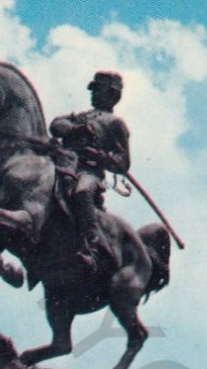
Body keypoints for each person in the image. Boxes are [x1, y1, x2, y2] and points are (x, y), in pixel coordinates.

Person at [49, 71, 131, 267]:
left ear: (112, 95)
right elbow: (56, 125)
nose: (92, 94)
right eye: (93, 90)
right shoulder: (81, 116)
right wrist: (74, 129)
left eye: (98, 90)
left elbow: (123, 163)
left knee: (82, 191)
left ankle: (90, 248)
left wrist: (98, 155)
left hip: (90, 171)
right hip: (63, 163)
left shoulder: (115, 124)